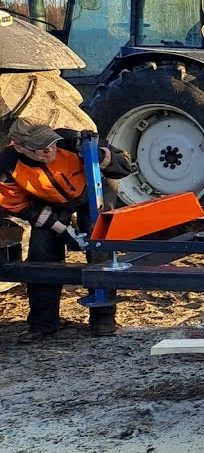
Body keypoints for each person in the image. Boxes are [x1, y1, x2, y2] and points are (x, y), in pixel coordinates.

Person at [0, 117, 131, 341]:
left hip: (93, 191)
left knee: (99, 245)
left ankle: (104, 319)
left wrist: (99, 155)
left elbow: (125, 165)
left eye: (50, 143)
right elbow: (18, 205)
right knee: (41, 257)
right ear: (19, 147)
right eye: (39, 148)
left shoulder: (71, 141)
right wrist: (62, 229)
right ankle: (43, 323)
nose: (49, 150)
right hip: (48, 203)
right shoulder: (7, 165)